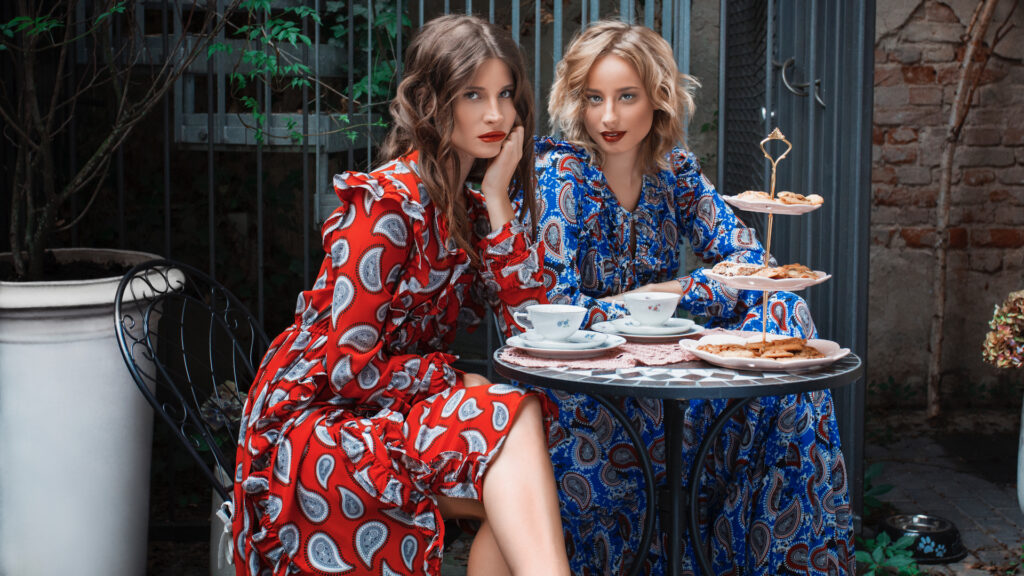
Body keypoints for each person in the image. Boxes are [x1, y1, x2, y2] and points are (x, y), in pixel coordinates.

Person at [231, 15, 571, 576]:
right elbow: (347, 370)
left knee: (516, 482)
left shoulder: (468, 207)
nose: (496, 114)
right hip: (319, 420)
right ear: (431, 101)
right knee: (514, 434)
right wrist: (452, 379)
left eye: (506, 94)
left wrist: (496, 200)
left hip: (394, 409)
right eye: (473, 94)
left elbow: (530, 323)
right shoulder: (386, 205)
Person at [531, 21, 852, 575]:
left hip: (670, 374)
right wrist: (643, 307)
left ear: (657, 98)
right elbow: (558, 308)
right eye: (593, 98)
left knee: (785, 309)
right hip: (592, 386)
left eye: (626, 96)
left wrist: (673, 290)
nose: (608, 117)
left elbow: (751, 263)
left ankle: (781, 554)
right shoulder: (560, 174)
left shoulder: (673, 169)